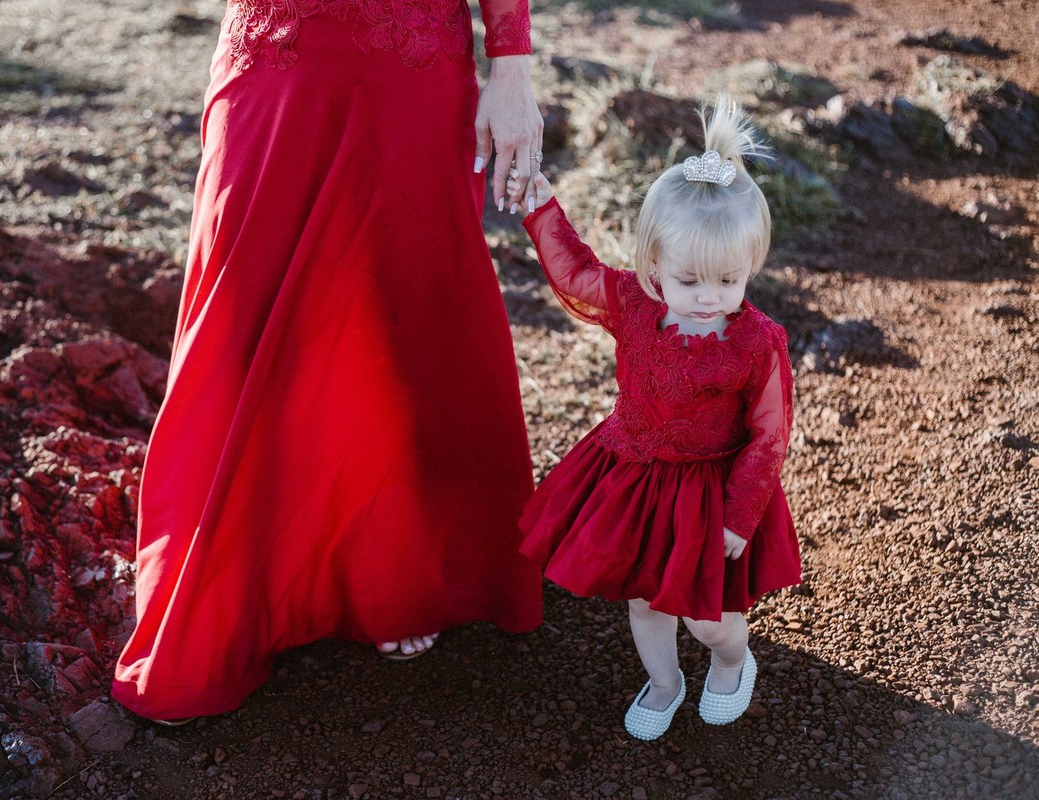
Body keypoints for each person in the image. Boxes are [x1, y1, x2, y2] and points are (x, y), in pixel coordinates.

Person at [112, 0, 546, 722]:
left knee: (395, 313)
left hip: (410, 59)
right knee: (241, 310)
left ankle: (395, 571)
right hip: (271, 54)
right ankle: (242, 582)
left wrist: (513, 63)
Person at [507, 96, 802, 741]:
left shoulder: (758, 342)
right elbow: (574, 269)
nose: (708, 297)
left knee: (708, 615)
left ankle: (732, 658)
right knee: (647, 600)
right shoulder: (634, 305)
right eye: (689, 279)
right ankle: (665, 683)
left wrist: (739, 514)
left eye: (728, 279)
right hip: (635, 477)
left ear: (750, 263)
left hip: (709, 492)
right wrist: (539, 206)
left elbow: (769, 434)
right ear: (654, 267)